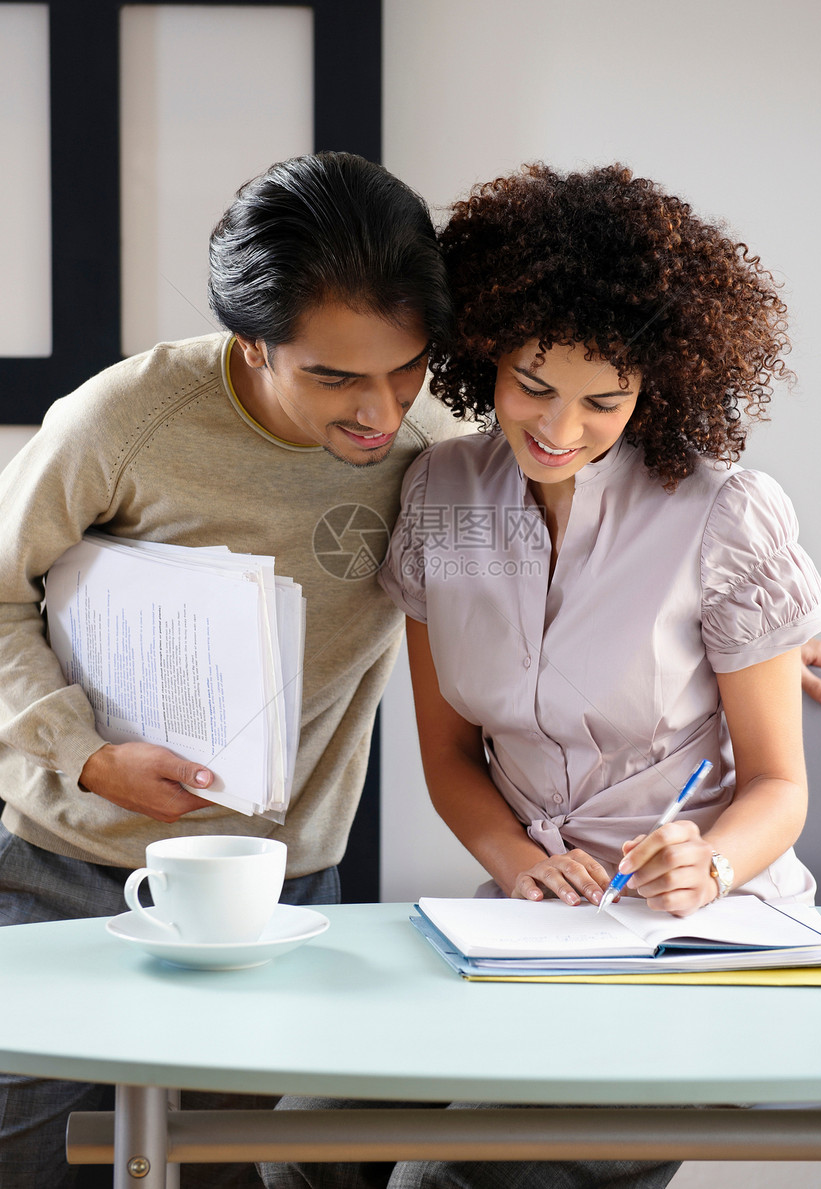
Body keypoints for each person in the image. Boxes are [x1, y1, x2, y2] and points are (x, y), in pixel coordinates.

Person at [259, 162, 821, 1189]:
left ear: (654, 383)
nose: (558, 431)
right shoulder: (438, 491)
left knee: (468, 1174)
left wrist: (708, 863)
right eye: (531, 386)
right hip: (523, 925)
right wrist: (515, 859)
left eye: (602, 402)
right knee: (296, 1136)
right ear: (487, 355)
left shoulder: (724, 517)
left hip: (694, 936)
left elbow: (778, 785)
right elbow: (446, 755)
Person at [0, 152, 463, 1189]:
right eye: (334, 376)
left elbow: (554, 562)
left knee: (221, 1170)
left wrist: (735, 627)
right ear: (252, 346)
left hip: (276, 883)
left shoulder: (429, 447)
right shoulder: (127, 418)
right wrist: (83, 754)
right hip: (61, 860)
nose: (378, 412)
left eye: (406, 368)